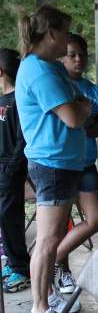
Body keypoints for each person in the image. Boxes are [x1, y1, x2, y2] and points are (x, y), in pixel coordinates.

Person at [16, 5, 91, 313]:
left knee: (52, 238)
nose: (69, 41)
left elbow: (78, 101)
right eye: (65, 32)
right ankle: (39, 311)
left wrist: (81, 105)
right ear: (52, 34)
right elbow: (75, 115)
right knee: (47, 241)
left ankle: (47, 298)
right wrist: (84, 107)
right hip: (53, 164)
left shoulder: (46, 67)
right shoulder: (42, 72)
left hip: (61, 162)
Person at [58, 33, 98, 293]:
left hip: (86, 164)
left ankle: (51, 258)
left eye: (82, 54)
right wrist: (81, 120)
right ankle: (63, 272)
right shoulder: (57, 86)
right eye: (72, 54)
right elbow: (65, 124)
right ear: (62, 57)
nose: (78, 59)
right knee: (58, 224)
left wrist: (82, 121)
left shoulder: (92, 89)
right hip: (62, 166)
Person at [0, 48, 30, 293]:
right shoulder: (1, 101)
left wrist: (10, 169)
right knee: (4, 217)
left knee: (10, 218)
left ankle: (20, 268)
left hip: (11, 169)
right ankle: (12, 262)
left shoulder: (18, 100)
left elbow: (23, 139)